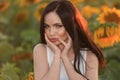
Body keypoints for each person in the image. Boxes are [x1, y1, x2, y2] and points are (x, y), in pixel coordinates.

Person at [33, 0, 105, 80]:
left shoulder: (89, 56)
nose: (51, 33)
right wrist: (57, 55)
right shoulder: (41, 50)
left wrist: (65, 58)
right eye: (47, 26)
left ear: (71, 26)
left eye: (58, 26)